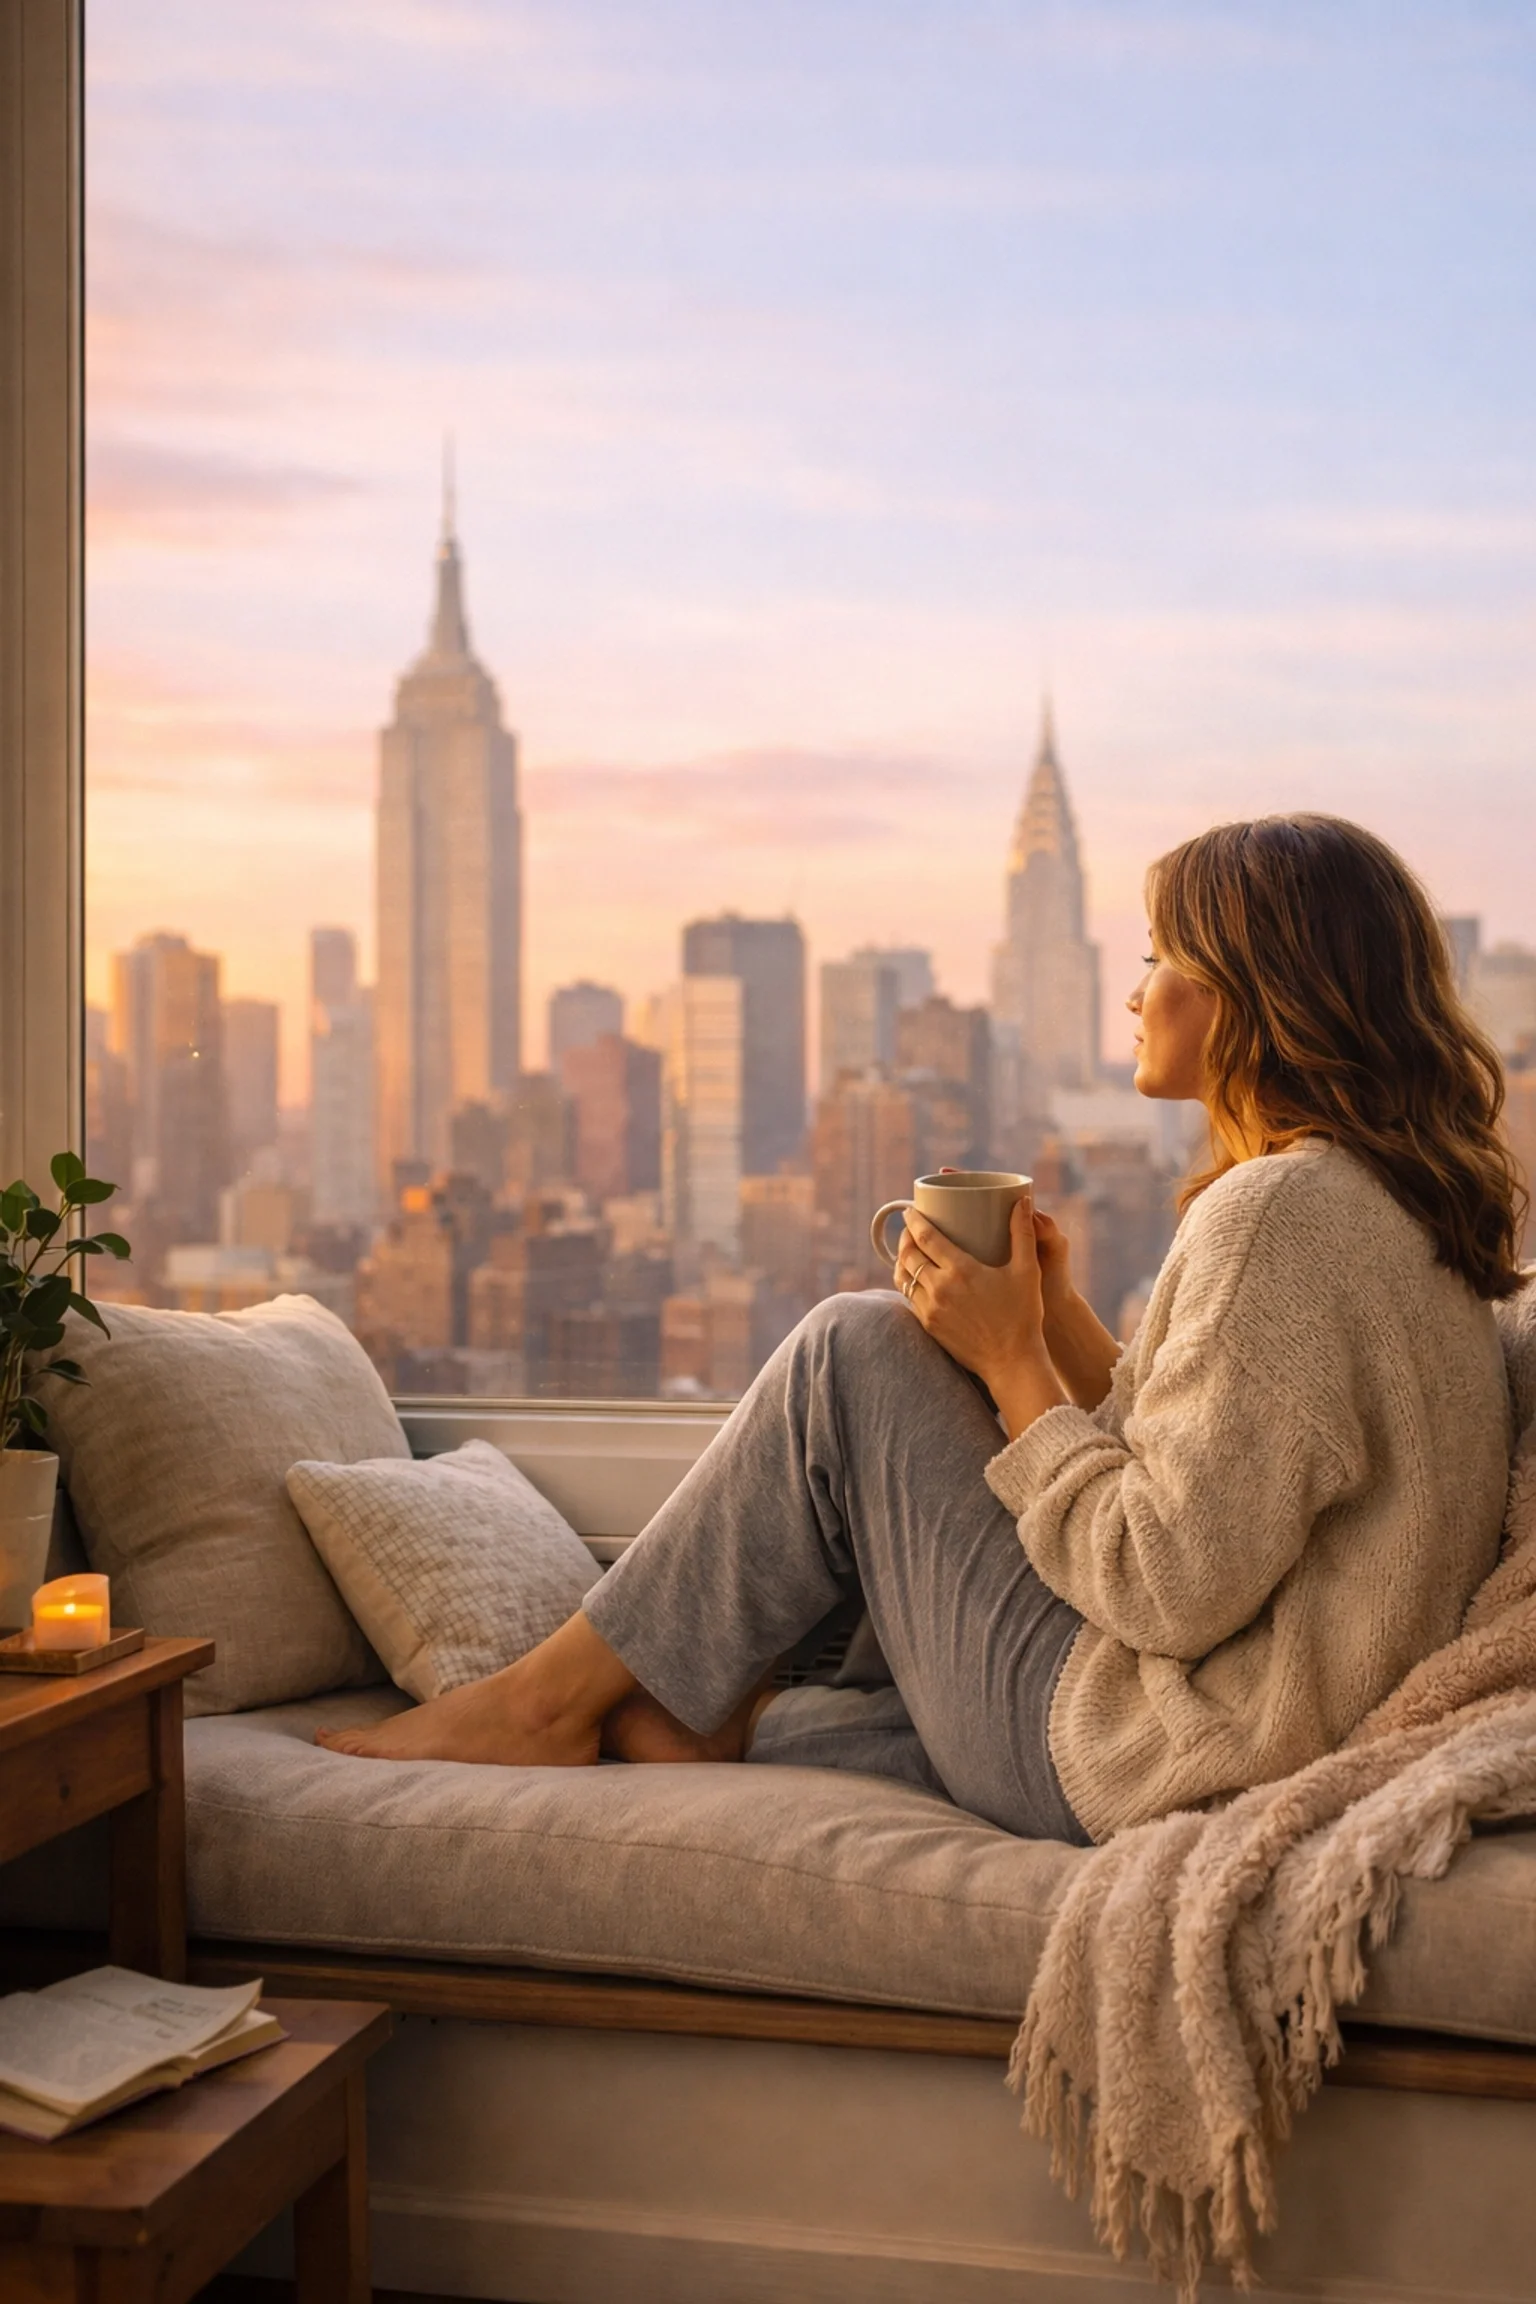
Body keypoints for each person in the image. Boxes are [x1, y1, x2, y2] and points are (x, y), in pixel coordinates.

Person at [319, 815, 1525, 1846]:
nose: (1133, 992)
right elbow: (1223, 1481)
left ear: (1250, 994)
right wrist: (1055, 1321)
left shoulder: (1276, 1217)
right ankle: (715, 1723)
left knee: (858, 1349)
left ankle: (537, 1704)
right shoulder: (1380, 1204)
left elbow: (1165, 1584)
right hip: (1256, 1731)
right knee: (709, 1662)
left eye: (1161, 958)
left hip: (1166, 1760)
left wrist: (1009, 1360)